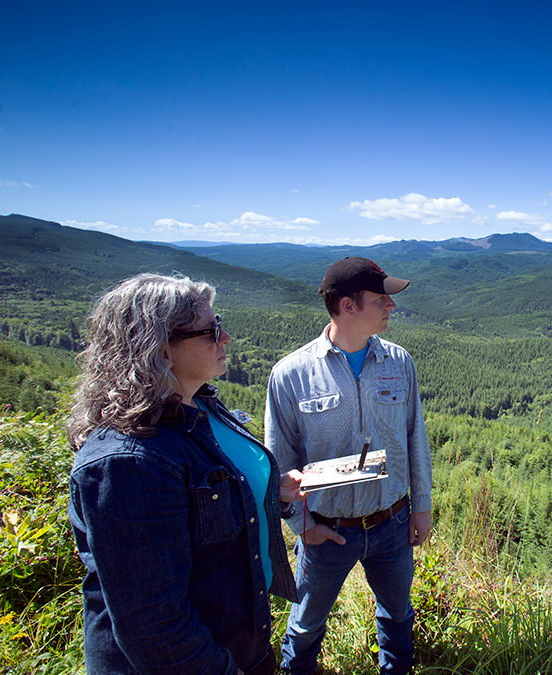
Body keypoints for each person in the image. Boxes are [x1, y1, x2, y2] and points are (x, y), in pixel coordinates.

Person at [66, 273, 301, 675]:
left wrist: (272, 494)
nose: (225, 337)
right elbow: (155, 629)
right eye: (210, 330)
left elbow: (205, 516)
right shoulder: (128, 463)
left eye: (220, 321)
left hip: (240, 644)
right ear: (158, 349)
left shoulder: (201, 407)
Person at [265, 257, 433, 675]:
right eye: (381, 299)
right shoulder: (291, 375)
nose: (391, 306)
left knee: (397, 614)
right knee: (306, 623)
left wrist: (422, 507)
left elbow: (415, 437)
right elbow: (280, 461)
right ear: (347, 306)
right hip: (327, 531)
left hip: (391, 522)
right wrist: (301, 526)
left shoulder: (399, 362)